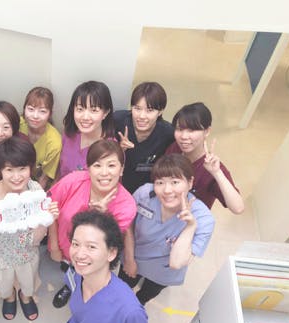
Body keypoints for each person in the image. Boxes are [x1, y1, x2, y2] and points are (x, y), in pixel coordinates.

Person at [0, 137, 58, 320]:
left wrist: (46, 219)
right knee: (3, 285)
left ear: (30, 168)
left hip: (26, 253)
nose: (17, 177)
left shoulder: (34, 192)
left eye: (22, 169)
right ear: (0, 169)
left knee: (28, 281)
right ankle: (9, 296)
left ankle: (26, 296)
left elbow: (35, 240)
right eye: (9, 170)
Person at [49, 140, 137, 308]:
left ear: (121, 169)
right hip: (64, 248)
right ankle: (69, 286)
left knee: (87, 279)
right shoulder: (72, 181)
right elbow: (51, 211)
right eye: (97, 165)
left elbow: (112, 243)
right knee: (69, 270)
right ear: (88, 168)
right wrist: (54, 246)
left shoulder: (126, 205)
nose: (104, 173)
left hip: (95, 259)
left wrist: (101, 217)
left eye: (111, 165)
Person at [120, 154, 215, 304]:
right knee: (121, 290)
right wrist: (129, 259)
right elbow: (128, 226)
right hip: (133, 258)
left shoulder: (204, 219)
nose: (167, 190)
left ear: (190, 182)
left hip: (162, 273)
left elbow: (176, 263)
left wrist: (190, 227)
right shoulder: (145, 194)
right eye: (160, 182)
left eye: (175, 182)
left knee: (145, 296)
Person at [165, 102, 245, 214]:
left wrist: (217, 173)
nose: (183, 136)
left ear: (207, 131)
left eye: (191, 130)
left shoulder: (212, 168)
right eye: (179, 129)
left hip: (191, 219)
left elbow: (238, 208)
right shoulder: (174, 148)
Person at [113, 81, 175, 194]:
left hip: (147, 193)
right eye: (137, 108)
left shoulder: (168, 133)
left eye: (149, 110)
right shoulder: (118, 121)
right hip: (115, 187)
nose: (142, 116)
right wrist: (118, 149)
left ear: (160, 112)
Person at [58, 80, 115, 179]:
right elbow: (59, 173)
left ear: (105, 113)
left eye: (94, 110)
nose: (85, 117)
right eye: (80, 109)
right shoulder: (68, 135)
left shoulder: (111, 149)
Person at [19, 87, 62, 189]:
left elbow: (44, 178)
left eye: (42, 111)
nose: (35, 116)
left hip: (35, 181)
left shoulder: (54, 142)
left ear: (50, 113)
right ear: (24, 109)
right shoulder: (17, 124)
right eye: (31, 109)